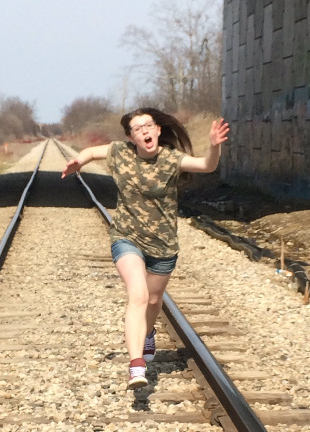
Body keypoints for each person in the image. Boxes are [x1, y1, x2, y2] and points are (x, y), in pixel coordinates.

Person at [61, 108, 229, 389]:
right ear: (131, 137)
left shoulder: (171, 159)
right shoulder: (119, 152)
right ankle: (137, 366)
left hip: (163, 244)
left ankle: (147, 332)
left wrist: (213, 147)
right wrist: (78, 161)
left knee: (153, 301)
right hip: (127, 237)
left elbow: (206, 166)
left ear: (158, 130)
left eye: (148, 126)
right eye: (138, 129)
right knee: (138, 296)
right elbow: (91, 152)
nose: (145, 131)